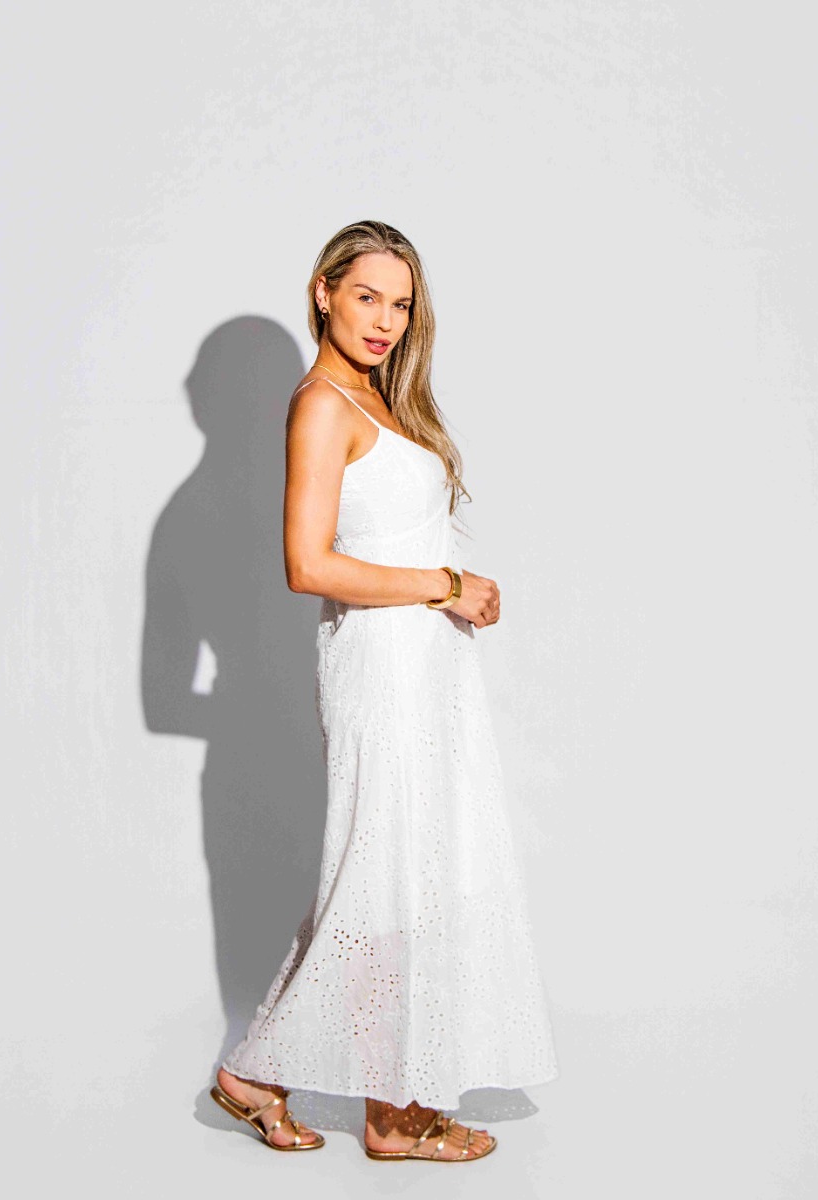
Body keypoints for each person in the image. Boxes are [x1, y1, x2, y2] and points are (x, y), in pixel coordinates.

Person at [210, 220, 558, 1161]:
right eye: (367, 297)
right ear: (323, 291)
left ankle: (319, 1090)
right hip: (381, 667)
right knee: (382, 878)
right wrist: (445, 584)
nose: (385, 321)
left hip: (431, 668)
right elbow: (307, 563)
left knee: (407, 875)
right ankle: (386, 1110)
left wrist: (454, 594)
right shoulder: (322, 405)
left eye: (401, 305)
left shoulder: (381, 397)